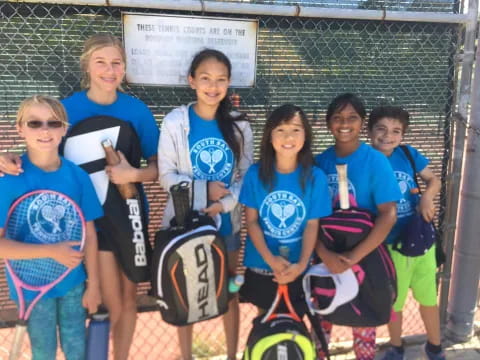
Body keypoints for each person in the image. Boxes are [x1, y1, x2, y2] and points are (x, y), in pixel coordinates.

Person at [0, 34, 160, 360]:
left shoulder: (137, 110)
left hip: (129, 218)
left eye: (116, 63)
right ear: (87, 66)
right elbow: (43, 151)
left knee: (129, 301)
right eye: (100, 62)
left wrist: (134, 175)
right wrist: (11, 158)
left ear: (125, 68)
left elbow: (159, 167)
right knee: (107, 301)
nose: (109, 70)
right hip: (85, 223)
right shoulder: (67, 109)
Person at [157, 48, 253, 360]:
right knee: (183, 291)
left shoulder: (239, 124)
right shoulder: (175, 121)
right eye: (206, 79)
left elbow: (247, 175)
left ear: (228, 84)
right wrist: (203, 191)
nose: (213, 86)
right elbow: (165, 175)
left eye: (221, 80)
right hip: (184, 223)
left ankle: (231, 354)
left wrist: (224, 203)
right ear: (192, 81)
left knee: (228, 291)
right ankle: (186, 355)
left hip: (225, 223)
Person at [0, 95, 102, 359]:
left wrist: (94, 285)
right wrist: (51, 251)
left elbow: (89, 235)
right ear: (20, 128)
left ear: (64, 129)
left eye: (53, 123)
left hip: (73, 283)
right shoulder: (8, 180)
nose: (44, 130)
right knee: (43, 352)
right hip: (30, 287)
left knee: (76, 350)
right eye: (34, 123)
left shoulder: (78, 177)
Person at [315, 93, 401, 360]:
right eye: (338, 117)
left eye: (352, 117)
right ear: (329, 123)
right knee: (321, 319)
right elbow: (311, 220)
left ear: (362, 123)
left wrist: (355, 256)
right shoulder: (319, 163)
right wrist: (325, 255)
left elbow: (388, 214)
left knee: (365, 323)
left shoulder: (375, 161)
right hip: (326, 257)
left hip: (365, 257)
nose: (345, 123)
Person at [239, 104, 331, 316]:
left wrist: (300, 265)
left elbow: (311, 224)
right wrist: (271, 260)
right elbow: (251, 221)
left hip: (299, 267)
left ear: (305, 135)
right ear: (270, 136)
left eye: (295, 130)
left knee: (296, 325)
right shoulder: (255, 174)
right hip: (262, 265)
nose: (288, 137)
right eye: (280, 130)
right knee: (265, 322)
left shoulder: (316, 177)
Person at [368, 105, 444, 360]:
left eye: (395, 131)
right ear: (370, 132)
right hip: (390, 244)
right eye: (381, 129)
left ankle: (434, 347)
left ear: (402, 135)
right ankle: (396, 346)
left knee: (428, 299)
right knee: (395, 303)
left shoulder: (408, 154)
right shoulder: (366, 159)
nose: (388, 136)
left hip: (420, 239)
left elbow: (433, 180)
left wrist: (427, 198)